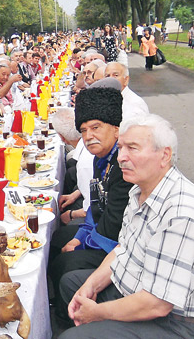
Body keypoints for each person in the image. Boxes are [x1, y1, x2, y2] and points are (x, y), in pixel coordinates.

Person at [59, 115, 194, 339]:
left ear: (165, 155)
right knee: (72, 284)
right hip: (141, 289)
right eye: (121, 147)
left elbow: (157, 304)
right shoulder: (140, 189)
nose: (122, 157)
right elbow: (123, 248)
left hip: (182, 323)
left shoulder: (182, 214)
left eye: (133, 148)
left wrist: (98, 313)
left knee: (73, 337)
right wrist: (90, 286)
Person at [48, 86, 132, 322]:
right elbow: (96, 206)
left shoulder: (123, 164)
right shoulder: (100, 159)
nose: (88, 136)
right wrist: (79, 237)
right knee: (58, 240)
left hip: (118, 245)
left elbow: (113, 224)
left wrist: (82, 243)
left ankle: (69, 321)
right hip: (103, 231)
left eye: (96, 128)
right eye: (83, 130)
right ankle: (59, 306)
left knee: (66, 263)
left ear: (116, 128)